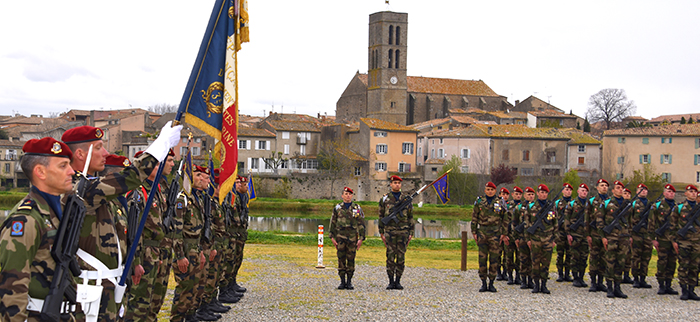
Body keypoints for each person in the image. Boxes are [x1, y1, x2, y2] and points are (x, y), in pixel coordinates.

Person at [61, 123, 181, 322]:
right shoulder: (79, 189)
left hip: (108, 287)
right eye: (99, 147)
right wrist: (160, 145)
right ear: (81, 154)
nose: (106, 153)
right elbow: (131, 177)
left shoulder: (92, 188)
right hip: (88, 288)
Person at [0, 137, 81, 322]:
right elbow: (12, 285)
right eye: (63, 166)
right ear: (40, 172)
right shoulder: (26, 219)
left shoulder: (55, 211)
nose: (71, 171)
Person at [123, 150, 175, 322]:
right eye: (156, 164)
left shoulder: (156, 190)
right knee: (138, 303)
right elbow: (133, 230)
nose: (160, 167)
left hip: (153, 251)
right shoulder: (138, 192)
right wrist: (136, 261)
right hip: (143, 252)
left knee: (152, 301)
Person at [171, 165, 208, 322]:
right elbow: (176, 229)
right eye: (198, 174)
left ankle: (190, 315)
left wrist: (200, 251)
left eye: (203, 176)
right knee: (185, 288)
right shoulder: (182, 199)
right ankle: (177, 318)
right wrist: (180, 256)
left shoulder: (197, 198)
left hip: (195, 249)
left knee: (194, 287)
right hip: (185, 250)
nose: (201, 178)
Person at [200, 170, 231, 314]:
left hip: (219, 243)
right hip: (210, 244)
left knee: (216, 274)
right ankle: (205, 304)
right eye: (220, 186)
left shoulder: (217, 203)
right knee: (209, 275)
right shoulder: (210, 203)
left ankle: (212, 300)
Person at [378, 175, 415, 290]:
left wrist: (411, 232)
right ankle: (390, 281)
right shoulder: (385, 199)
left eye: (399, 183)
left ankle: (398, 281)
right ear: (391, 184)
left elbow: (410, 217)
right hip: (390, 232)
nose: (397, 185)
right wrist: (381, 232)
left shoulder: (406, 199)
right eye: (395, 182)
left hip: (403, 232)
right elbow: (381, 215)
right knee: (390, 257)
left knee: (400, 257)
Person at [471, 182, 507, 292]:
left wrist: (504, 233)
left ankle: (491, 282)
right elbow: (474, 216)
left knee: (494, 259)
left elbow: (505, 218)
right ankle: (483, 282)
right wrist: (474, 232)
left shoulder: (500, 202)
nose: (490, 191)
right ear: (485, 190)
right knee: (482, 258)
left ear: (495, 191)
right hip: (483, 232)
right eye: (488, 189)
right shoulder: (479, 201)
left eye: (492, 189)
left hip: (495, 233)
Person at [598, 180, 631, 298]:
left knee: (621, 262)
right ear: (613, 190)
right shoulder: (606, 203)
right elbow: (600, 221)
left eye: (622, 188)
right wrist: (603, 237)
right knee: (610, 262)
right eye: (617, 188)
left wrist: (629, 235)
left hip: (624, 237)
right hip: (611, 237)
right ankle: (610, 287)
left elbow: (631, 221)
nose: (620, 190)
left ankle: (618, 287)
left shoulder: (627, 204)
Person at [329, 187, 366, 290]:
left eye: (350, 194)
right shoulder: (337, 208)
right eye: (346, 194)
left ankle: (349, 282)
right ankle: (342, 282)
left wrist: (361, 238)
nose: (348, 195)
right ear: (342, 195)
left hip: (352, 237)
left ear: (352, 196)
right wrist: (332, 236)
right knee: (341, 259)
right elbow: (333, 222)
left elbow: (361, 223)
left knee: (351, 259)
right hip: (340, 237)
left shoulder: (356, 208)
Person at [668, 184, 700, 300]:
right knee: (683, 266)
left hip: (697, 242)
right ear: (685, 193)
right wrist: (674, 241)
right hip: (683, 241)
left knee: (694, 266)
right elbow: (672, 226)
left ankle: (692, 290)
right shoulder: (679, 208)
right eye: (690, 191)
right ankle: (684, 290)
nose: (693, 193)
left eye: (694, 192)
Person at [524, 184, 556, 294]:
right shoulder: (531, 206)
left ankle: (544, 285)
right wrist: (528, 239)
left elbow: (555, 223)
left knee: (546, 262)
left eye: (545, 193)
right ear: (537, 193)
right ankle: (536, 284)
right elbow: (526, 224)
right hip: (535, 238)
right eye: (541, 192)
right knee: (535, 262)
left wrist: (554, 239)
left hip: (547, 238)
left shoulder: (551, 206)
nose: (543, 194)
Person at [652, 184, 679, 295]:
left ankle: (669, 284)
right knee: (662, 262)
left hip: (674, 239)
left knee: (672, 262)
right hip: (662, 239)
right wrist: (653, 239)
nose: (671, 193)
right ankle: (661, 285)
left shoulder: (678, 207)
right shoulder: (657, 206)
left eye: (672, 192)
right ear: (664, 193)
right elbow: (651, 223)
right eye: (668, 191)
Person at [564, 183, 590, 288]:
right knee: (575, 256)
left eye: (585, 191)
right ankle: (575, 277)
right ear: (578, 192)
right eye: (582, 190)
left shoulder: (589, 204)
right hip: (575, 234)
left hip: (585, 235)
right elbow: (566, 219)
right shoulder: (572, 204)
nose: (584, 192)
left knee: (584, 257)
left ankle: (581, 277)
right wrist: (568, 233)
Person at [586, 178, 609, 293]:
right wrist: (588, 234)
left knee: (604, 258)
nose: (604, 187)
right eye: (602, 185)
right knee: (594, 258)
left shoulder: (611, 201)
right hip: (594, 234)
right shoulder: (592, 201)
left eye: (606, 185)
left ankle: (601, 281)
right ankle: (593, 282)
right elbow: (587, 218)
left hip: (606, 234)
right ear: (597, 187)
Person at [629, 183, 653, 289]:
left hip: (647, 234)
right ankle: (636, 279)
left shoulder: (650, 204)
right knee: (635, 257)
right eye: (641, 189)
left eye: (645, 190)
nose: (643, 191)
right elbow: (629, 219)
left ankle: (643, 278)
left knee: (646, 257)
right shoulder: (633, 204)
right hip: (636, 234)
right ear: (637, 191)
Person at [517, 187, 536, 290]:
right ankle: (523, 280)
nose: (531, 196)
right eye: (528, 194)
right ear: (524, 195)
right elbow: (514, 223)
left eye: (532, 194)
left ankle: (531, 280)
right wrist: (516, 237)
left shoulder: (537, 207)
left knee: (533, 259)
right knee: (524, 259)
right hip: (522, 237)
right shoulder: (519, 207)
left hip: (533, 237)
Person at [554, 183, 573, 282]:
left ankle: (567, 274)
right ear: (563, 191)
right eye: (566, 189)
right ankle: (560, 274)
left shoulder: (574, 203)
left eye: (570, 190)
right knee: (560, 253)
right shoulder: (557, 203)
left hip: (570, 232)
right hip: (560, 231)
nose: (568, 191)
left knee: (569, 253)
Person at [504, 186, 522, 285]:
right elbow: (504, 221)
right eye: (516, 194)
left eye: (519, 194)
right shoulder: (507, 206)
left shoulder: (523, 206)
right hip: (509, 235)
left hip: (519, 236)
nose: (518, 196)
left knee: (519, 257)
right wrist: (505, 235)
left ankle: (518, 276)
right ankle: (510, 276)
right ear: (512, 194)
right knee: (509, 257)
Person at [496, 187, 510, 281]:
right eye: (503, 194)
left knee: (507, 254)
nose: (505, 196)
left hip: (508, 233)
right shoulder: (497, 204)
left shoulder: (509, 205)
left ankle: (505, 272)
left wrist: (507, 233)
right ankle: (498, 273)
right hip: (498, 233)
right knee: (497, 253)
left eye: (506, 194)